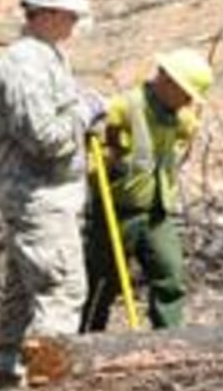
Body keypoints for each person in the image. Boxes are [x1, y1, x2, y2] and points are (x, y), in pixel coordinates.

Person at [0, 0, 97, 388]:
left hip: (47, 194)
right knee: (61, 291)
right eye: (68, 13)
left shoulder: (47, 56)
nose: (73, 21)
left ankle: (8, 377)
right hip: (38, 197)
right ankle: (50, 387)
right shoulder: (24, 64)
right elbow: (44, 136)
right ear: (47, 12)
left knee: (20, 297)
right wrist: (84, 115)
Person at [82, 48, 214, 331]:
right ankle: (88, 340)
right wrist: (106, 158)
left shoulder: (179, 116)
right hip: (117, 211)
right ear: (168, 82)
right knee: (104, 282)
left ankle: (169, 340)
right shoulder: (125, 107)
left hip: (157, 212)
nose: (189, 101)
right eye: (186, 93)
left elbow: (187, 131)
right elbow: (95, 148)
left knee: (171, 275)